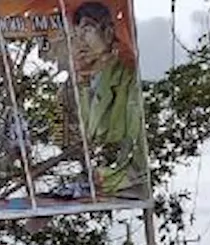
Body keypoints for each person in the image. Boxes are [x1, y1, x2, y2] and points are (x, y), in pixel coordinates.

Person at [52, 2, 146, 198]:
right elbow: (65, 140)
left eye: (87, 30)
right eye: (75, 34)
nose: (80, 41)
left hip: (123, 186)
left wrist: (110, 179)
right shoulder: (74, 87)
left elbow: (139, 147)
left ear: (109, 33)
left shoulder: (128, 81)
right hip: (90, 184)